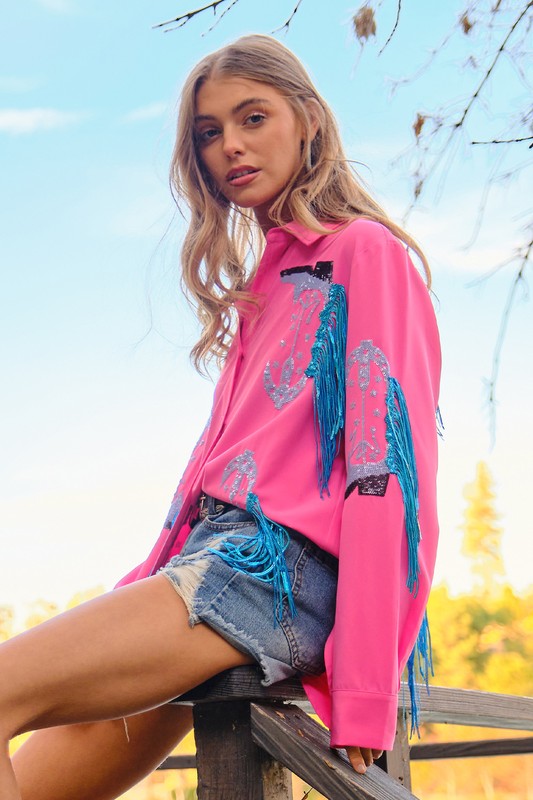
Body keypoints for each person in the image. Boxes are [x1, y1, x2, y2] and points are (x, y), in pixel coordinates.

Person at [0, 34, 440, 799]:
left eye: (252, 117)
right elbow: (219, 477)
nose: (230, 145)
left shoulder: (362, 253)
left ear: (307, 119)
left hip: (271, 575)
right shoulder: (260, 291)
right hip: (209, 568)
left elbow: (384, 471)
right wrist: (140, 590)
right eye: (209, 132)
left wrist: (366, 686)